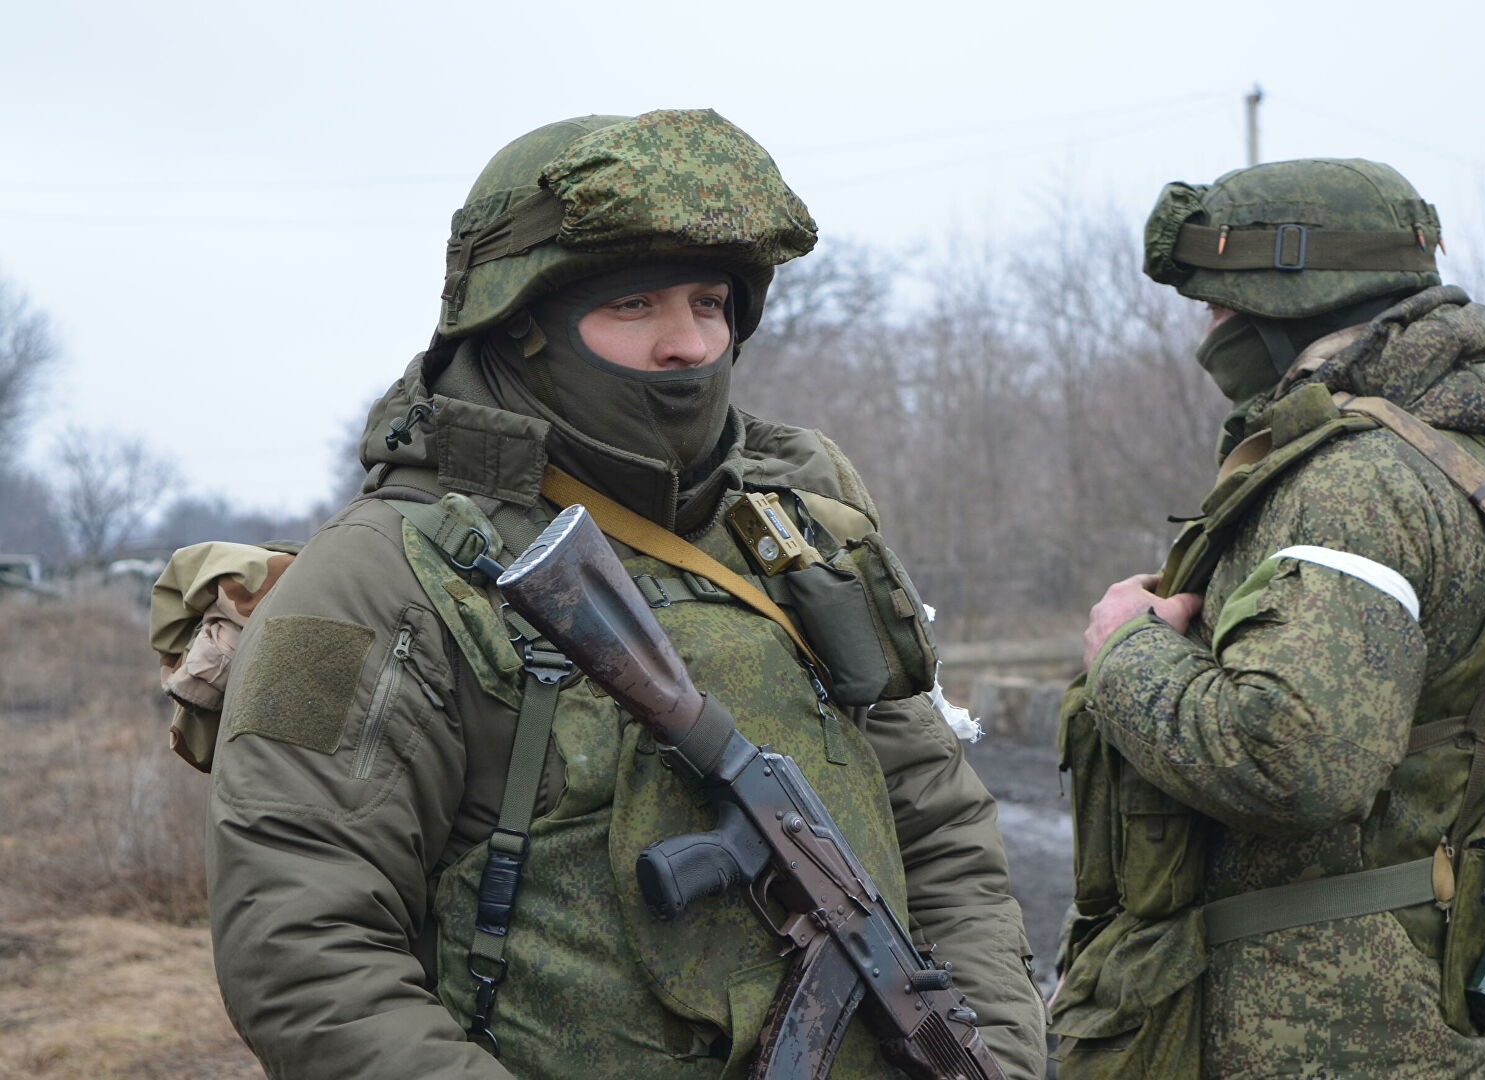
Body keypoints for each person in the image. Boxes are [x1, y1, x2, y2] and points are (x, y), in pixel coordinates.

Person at [206, 111, 1046, 1080]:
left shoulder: (797, 537)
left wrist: (997, 1056)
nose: (687, 344)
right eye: (635, 305)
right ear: (520, 324)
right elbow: (304, 950)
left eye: (709, 302)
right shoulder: (379, 580)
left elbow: (943, 836)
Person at [1050, 159, 1485, 1079]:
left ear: (1291, 298)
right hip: (1421, 1031)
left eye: (1219, 302)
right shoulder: (1478, 467)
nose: (1210, 328)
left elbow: (1292, 759)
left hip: (1289, 1041)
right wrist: (1469, 881)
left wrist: (1129, 650)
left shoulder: (1351, 483)